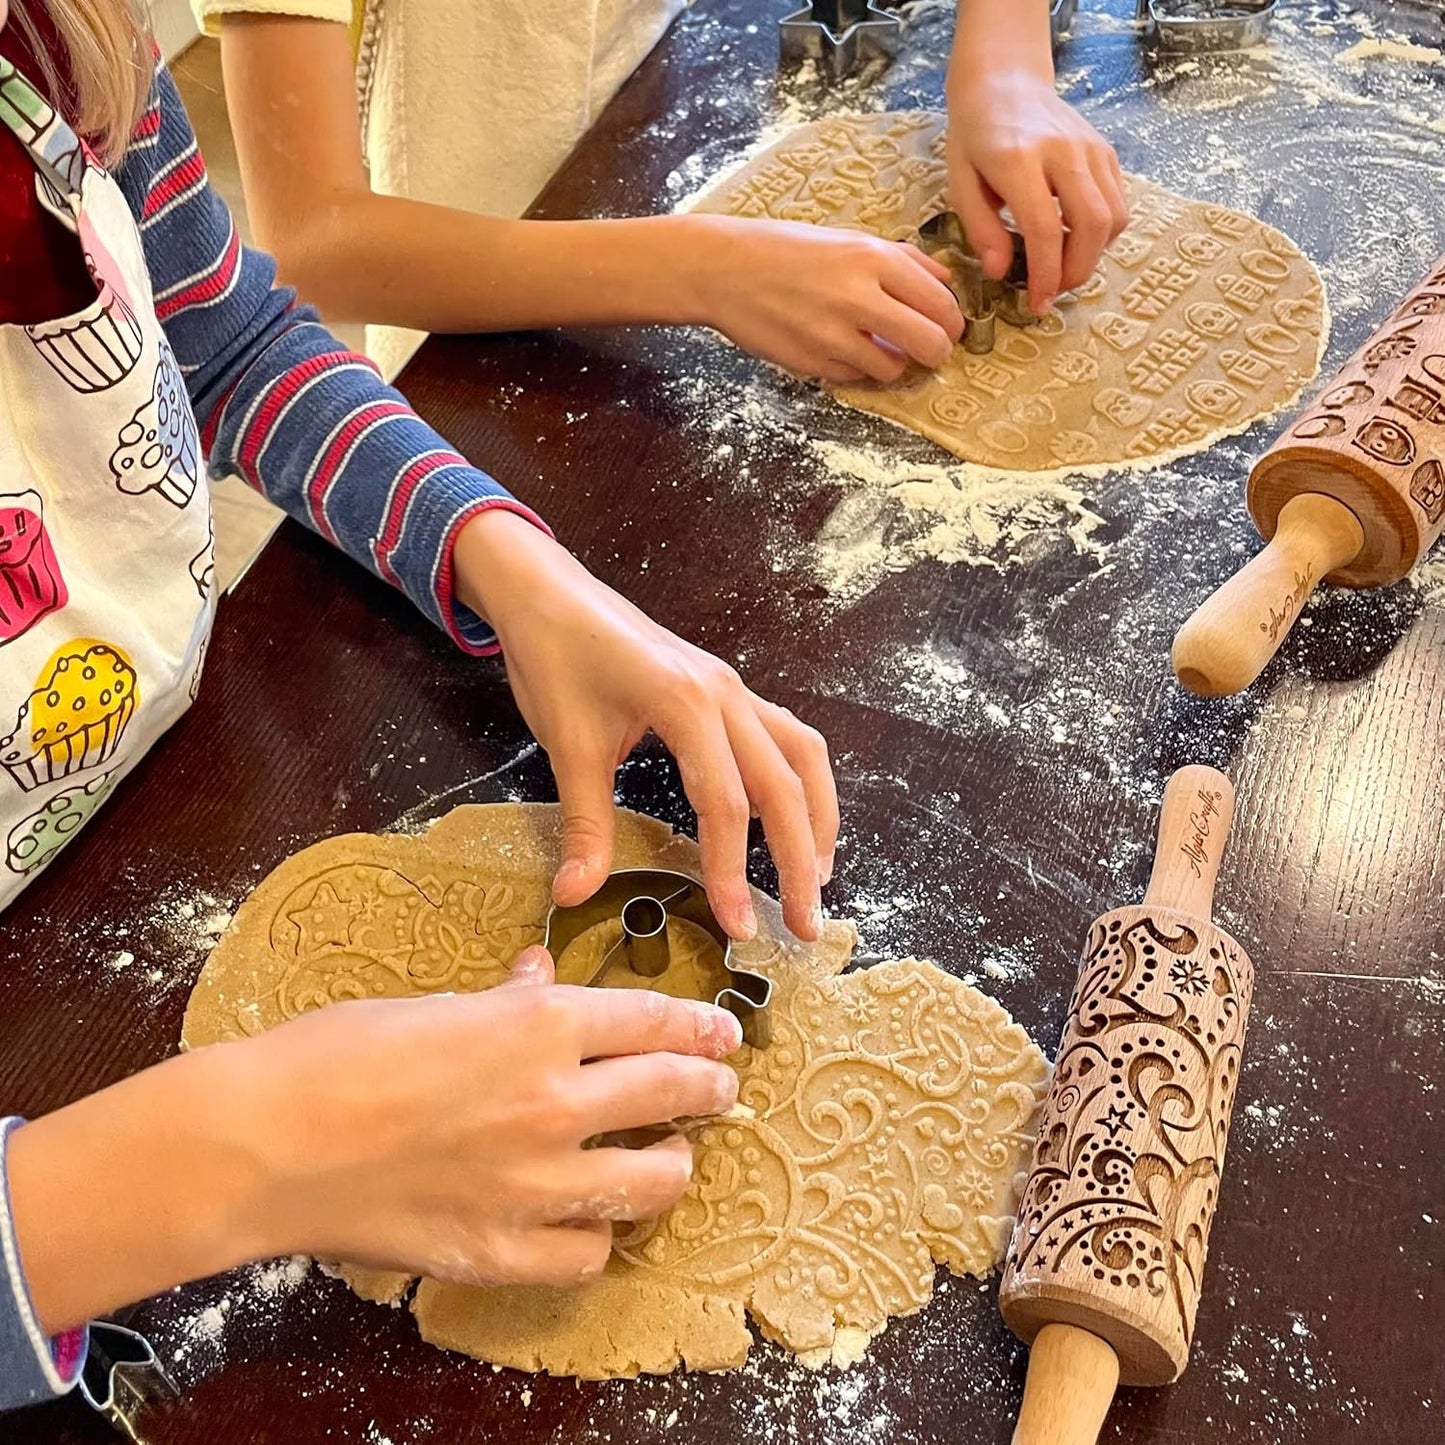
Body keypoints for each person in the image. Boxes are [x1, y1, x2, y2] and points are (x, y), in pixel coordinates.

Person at [0, 0, 835, 1412]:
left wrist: (505, 561)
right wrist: (246, 1152)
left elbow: (226, 342)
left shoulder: (56, 37)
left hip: (137, 776)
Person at [205, 0, 1125, 374]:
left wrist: (1004, 59)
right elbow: (312, 244)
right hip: (467, 294)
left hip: (654, 112)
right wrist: (704, 268)